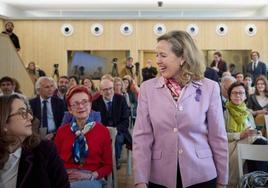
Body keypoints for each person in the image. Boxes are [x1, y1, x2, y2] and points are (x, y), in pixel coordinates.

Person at [133, 31, 228, 188]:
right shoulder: (147, 89)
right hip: (159, 176)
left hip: (202, 175)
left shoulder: (209, 88)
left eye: (163, 55)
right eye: (156, 55)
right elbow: (142, 138)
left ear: (183, 57)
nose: (158, 61)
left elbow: (218, 137)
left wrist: (222, 181)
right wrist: (140, 180)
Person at [0, 94, 69, 188]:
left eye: (28, 112)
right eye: (22, 113)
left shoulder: (45, 150)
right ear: (4, 123)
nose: (30, 117)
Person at [54, 85, 112, 188]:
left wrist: (90, 175)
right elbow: (54, 161)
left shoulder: (102, 131)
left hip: (91, 177)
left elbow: (108, 165)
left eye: (84, 102)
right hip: (65, 176)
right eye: (75, 104)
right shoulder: (62, 131)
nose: (81, 107)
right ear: (70, 109)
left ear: (90, 105)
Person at [92, 78, 132, 169]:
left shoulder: (121, 100)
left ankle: (113, 163)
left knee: (117, 139)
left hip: (119, 130)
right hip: (102, 132)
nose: (109, 92)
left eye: (110, 88)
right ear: (100, 91)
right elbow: (95, 122)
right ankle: (101, 164)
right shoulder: (95, 103)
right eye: (105, 90)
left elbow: (125, 120)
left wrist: (116, 129)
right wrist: (105, 131)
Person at [224, 82, 257, 187]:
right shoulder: (225, 113)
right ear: (229, 95)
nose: (238, 95)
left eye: (241, 93)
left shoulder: (248, 113)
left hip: (249, 145)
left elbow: (253, 130)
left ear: (245, 96)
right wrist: (239, 135)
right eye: (234, 93)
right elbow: (220, 136)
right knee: (255, 139)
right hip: (230, 145)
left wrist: (255, 132)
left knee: (255, 138)